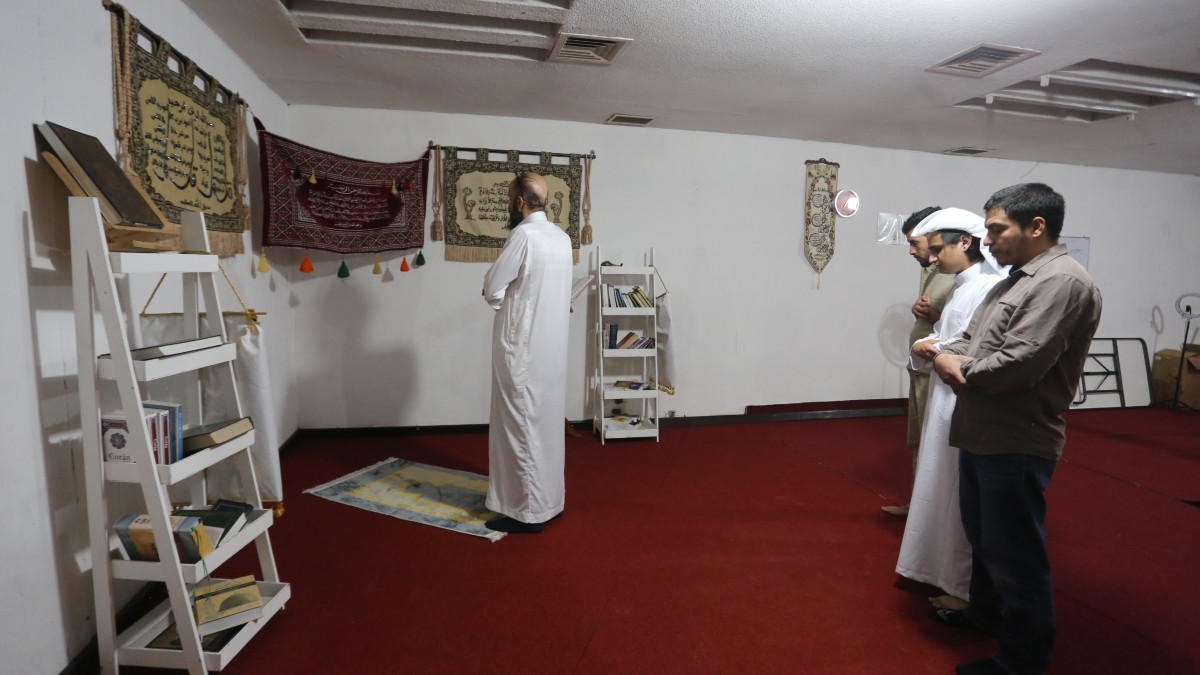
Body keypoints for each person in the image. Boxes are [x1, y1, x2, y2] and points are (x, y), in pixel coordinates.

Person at [931, 184, 1102, 675]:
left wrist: (952, 365)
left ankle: (1022, 663)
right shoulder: (1013, 280)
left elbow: (1018, 365)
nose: (987, 240)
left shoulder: (1062, 283)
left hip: (1017, 438)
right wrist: (951, 354)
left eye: (996, 229)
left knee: (1016, 556)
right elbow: (969, 338)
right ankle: (987, 614)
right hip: (984, 430)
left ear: (1037, 226)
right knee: (984, 539)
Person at [895, 208, 1005, 611]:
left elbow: (974, 348)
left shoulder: (988, 286)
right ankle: (944, 574)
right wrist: (931, 347)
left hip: (963, 401)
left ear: (966, 242)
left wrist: (932, 348)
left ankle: (963, 586)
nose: (934, 258)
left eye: (939, 248)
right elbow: (950, 338)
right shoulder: (963, 286)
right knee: (940, 486)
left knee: (959, 497)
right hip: (946, 399)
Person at [481, 172, 573, 534]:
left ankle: (526, 511)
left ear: (519, 201)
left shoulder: (524, 235)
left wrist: (503, 300)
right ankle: (551, 501)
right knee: (546, 426)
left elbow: (493, 287)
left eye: (509, 198)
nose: (508, 204)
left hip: (521, 349)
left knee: (517, 427)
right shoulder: (561, 238)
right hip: (552, 351)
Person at [883, 206, 957, 516]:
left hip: (942, 371)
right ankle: (919, 507)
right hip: (922, 367)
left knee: (937, 441)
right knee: (919, 438)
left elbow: (965, 327)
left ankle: (936, 515)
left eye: (915, 243)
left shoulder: (966, 274)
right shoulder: (931, 269)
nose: (911, 250)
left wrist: (935, 315)